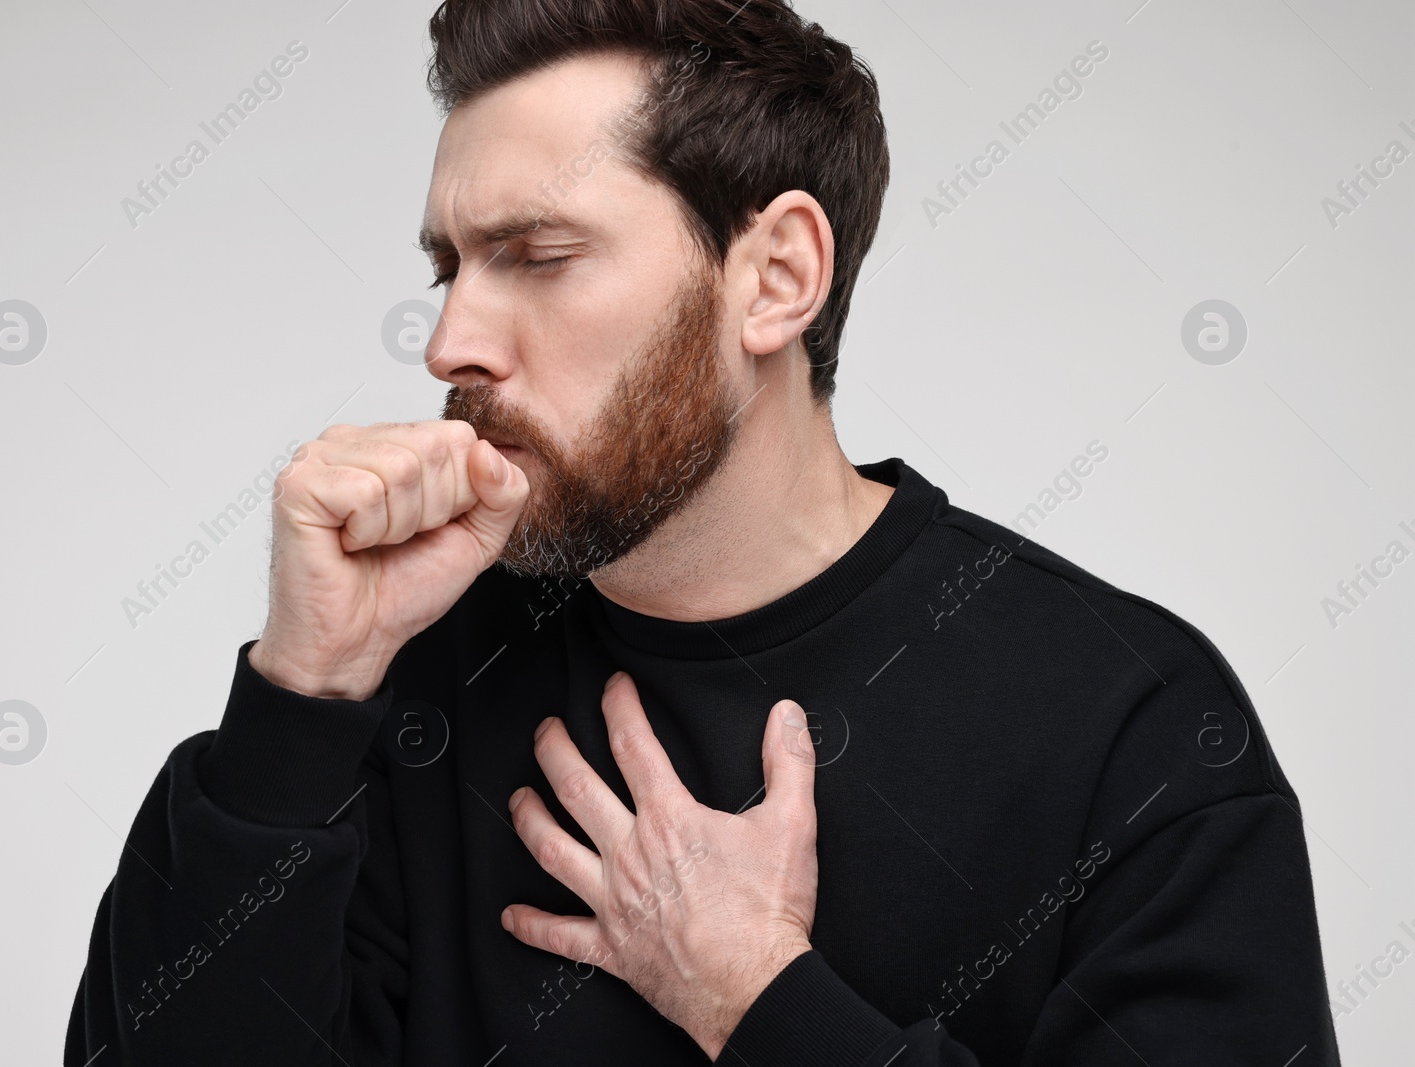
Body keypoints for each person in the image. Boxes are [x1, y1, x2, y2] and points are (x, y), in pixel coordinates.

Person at [65, 1, 1341, 1063]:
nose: (449, 340)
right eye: (449, 266)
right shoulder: (400, 681)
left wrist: (755, 994)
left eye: (537, 254)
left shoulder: (1133, 723)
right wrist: (300, 696)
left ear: (777, 277)